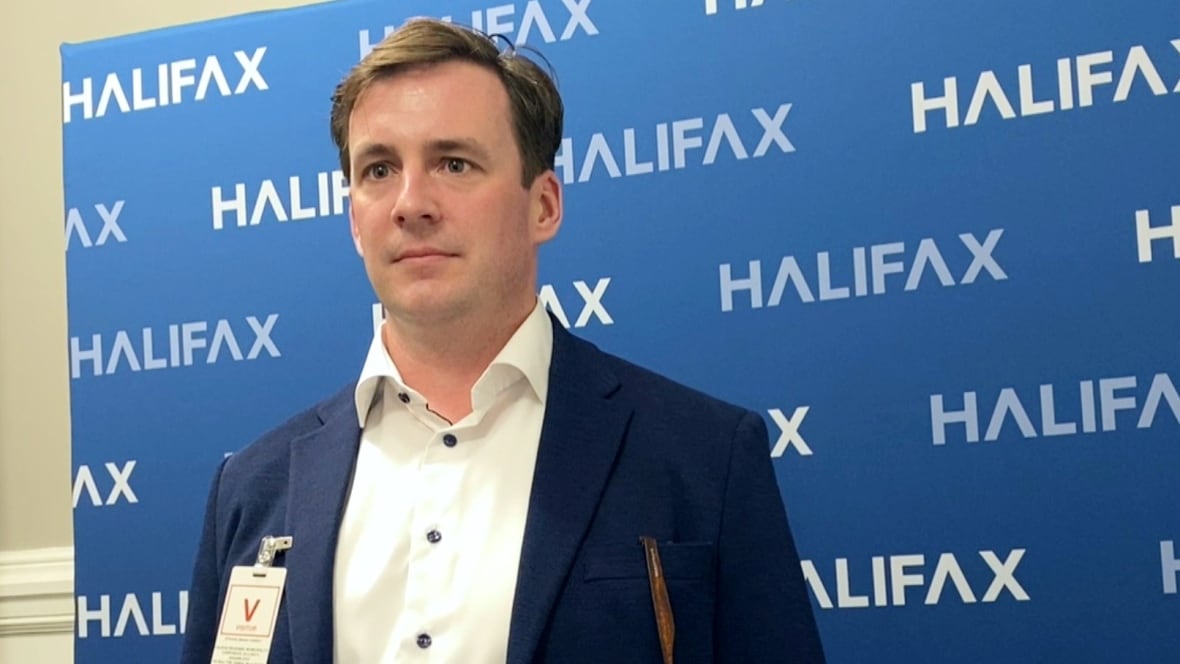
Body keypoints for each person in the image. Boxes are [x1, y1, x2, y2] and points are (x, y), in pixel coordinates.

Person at [180, 17, 824, 664]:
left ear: (543, 206)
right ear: (354, 219)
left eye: (453, 162)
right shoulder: (253, 488)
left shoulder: (704, 459)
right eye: (378, 170)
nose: (411, 203)